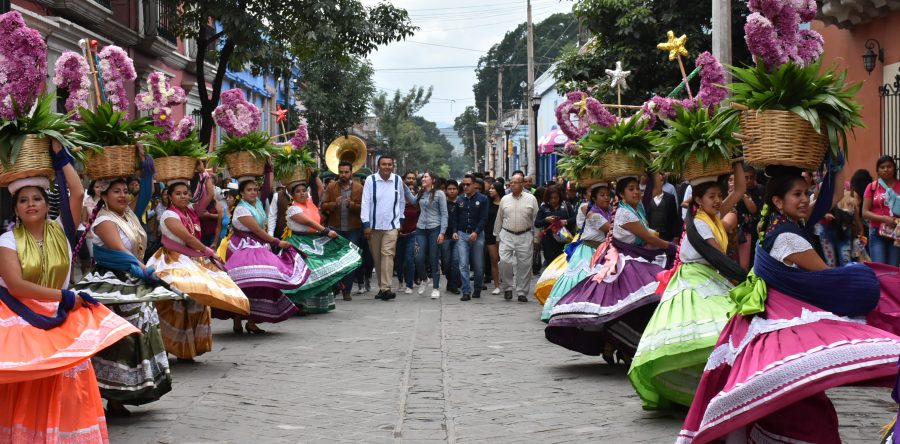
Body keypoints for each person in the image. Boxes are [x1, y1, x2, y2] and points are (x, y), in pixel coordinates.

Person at [679, 166, 900, 443]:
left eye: (806, 193)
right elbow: (828, 279)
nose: (805, 199)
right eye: (797, 194)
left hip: (767, 323)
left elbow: (829, 199)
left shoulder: (772, 224)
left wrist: (835, 166)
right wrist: (859, 274)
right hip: (782, 329)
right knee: (802, 411)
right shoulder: (788, 237)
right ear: (778, 201)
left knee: (789, 402)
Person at [0, 143, 139, 441]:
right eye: (23, 200)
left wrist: (61, 155)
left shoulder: (62, 230)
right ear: (16, 209)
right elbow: (16, 285)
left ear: (45, 203)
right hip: (23, 321)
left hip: (60, 318)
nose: (30, 204)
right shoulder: (7, 241)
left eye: (37, 198)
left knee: (68, 385)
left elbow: (76, 193)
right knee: (30, 386)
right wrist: (65, 297)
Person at [629, 164, 747, 410]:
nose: (717, 200)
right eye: (711, 196)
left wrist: (736, 162)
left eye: (719, 195)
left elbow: (739, 190)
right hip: (694, 279)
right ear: (699, 201)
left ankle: (712, 387)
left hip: (709, 276)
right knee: (713, 329)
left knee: (715, 331)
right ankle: (700, 389)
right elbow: (718, 255)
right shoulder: (701, 223)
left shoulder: (713, 216)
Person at [70, 165, 185, 415]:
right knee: (120, 337)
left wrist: (147, 167)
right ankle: (112, 395)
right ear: (104, 195)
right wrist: (144, 270)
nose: (123, 195)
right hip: (112, 282)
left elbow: (145, 193)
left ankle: (126, 392)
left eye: (125, 191)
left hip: (133, 280)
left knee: (141, 331)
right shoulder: (103, 220)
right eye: (116, 191)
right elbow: (121, 253)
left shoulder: (129, 215)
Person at [545, 175, 676, 363]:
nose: (636, 192)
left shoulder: (636, 208)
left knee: (631, 307)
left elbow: (653, 191)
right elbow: (648, 237)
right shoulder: (622, 213)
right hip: (622, 262)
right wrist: (672, 247)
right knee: (627, 306)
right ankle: (616, 344)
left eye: (637, 188)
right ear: (621, 194)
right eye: (631, 189)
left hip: (634, 257)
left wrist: (651, 170)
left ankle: (618, 345)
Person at [147, 176, 249, 357]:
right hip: (172, 260)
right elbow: (188, 238)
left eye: (185, 193)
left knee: (197, 302)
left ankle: (188, 349)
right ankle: (168, 346)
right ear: (170, 196)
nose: (183, 196)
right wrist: (208, 252)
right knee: (176, 302)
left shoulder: (191, 211)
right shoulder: (169, 215)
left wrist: (204, 174)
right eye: (178, 194)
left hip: (192, 260)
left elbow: (209, 194)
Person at [216, 175, 308, 333]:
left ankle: (251, 321)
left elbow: (266, 191)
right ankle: (237, 318)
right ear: (242, 193)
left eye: (255, 189)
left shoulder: (258, 203)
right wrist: (277, 242)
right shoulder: (241, 209)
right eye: (249, 190)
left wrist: (268, 171)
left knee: (261, 284)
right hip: (242, 248)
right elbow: (257, 230)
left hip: (257, 246)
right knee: (243, 284)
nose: (253, 192)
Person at [283, 181, 361, 312]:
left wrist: (330, 209)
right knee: (305, 271)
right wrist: (326, 231)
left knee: (319, 269)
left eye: (304, 190)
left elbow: (318, 218)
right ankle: (298, 302)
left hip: (312, 240)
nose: (302, 193)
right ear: (293, 195)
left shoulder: (311, 206)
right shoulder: (293, 209)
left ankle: (313, 303)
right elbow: (309, 222)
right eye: (298, 191)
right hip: (297, 243)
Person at [540, 183, 612, 322]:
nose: (606, 198)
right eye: (602, 195)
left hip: (603, 250)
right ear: (593, 197)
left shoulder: (609, 211)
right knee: (581, 278)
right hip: (588, 250)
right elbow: (611, 229)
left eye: (608, 195)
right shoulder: (589, 210)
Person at [361, 156, 408, 301]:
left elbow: (401, 201)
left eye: (389, 164)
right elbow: (365, 202)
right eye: (384, 164)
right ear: (378, 166)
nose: (387, 167)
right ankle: (382, 288)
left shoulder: (398, 180)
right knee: (377, 258)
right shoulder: (371, 180)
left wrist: (400, 220)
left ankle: (386, 288)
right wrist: (366, 224)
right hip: (374, 227)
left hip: (392, 225)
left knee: (388, 254)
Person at [321, 160, 364, 300]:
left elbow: (364, 208)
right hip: (335, 229)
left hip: (353, 229)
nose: (343, 175)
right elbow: (323, 205)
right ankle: (336, 287)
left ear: (351, 173)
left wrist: (351, 204)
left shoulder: (359, 188)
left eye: (346, 172)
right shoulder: (331, 186)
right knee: (335, 260)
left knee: (350, 260)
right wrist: (335, 204)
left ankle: (347, 290)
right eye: (341, 172)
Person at [494, 172, 540, 302]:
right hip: (507, 234)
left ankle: (522, 292)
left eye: (515, 183)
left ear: (522, 184)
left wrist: (537, 238)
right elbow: (499, 218)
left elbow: (536, 220)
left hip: (525, 234)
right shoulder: (505, 199)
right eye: (511, 182)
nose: (512, 185)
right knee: (504, 262)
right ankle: (508, 287)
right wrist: (497, 236)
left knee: (524, 265)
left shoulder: (531, 199)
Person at [454, 174, 489, 301]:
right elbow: (455, 218)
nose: (465, 187)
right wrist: (455, 231)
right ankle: (466, 291)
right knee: (463, 264)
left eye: (468, 184)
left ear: (474, 185)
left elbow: (484, 218)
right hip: (462, 234)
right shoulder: (459, 199)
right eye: (464, 184)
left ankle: (477, 288)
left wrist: (476, 232)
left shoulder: (483, 199)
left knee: (478, 265)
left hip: (477, 235)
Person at [414, 171, 448, 299]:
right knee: (418, 257)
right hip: (421, 228)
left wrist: (442, 232)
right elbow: (412, 201)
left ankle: (435, 287)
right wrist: (403, 187)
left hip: (435, 228)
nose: (423, 178)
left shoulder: (440, 194)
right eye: (423, 177)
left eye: (425, 177)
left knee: (434, 258)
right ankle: (424, 279)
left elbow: (444, 214)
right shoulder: (421, 192)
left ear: (433, 180)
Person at [863, 155, 900, 266]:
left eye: (889, 166)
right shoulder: (872, 187)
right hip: (876, 232)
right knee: (879, 269)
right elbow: (865, 212)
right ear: (877, 170)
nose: (886, 169)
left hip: (896, 233)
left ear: (894, 168)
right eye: (882, 167)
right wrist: (884, 219)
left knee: (893, 269)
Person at [534, 185, 577, 266]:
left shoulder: (566, 205)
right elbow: (537, 223)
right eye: (551, 198)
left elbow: (574, 219)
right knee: (551, 264)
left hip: (565, 240)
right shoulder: (543, 207)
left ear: (559, 197)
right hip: (549, 242)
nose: (553, 200)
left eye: (555, 198)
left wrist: (565, 222)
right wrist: (546, 220)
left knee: (565, 264)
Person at [396, 171, 420, 294]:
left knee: (409, 259)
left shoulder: (417, 200)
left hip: (412, 234)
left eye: (413, 178)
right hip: (398, 234)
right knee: (398, 260)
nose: (411, 180)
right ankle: (401, 282)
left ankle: (409, 284)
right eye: (408, 178)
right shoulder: (397, 198)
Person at [647, 172, 682, 243]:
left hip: (666, 234)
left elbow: (674, 217)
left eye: (661, 180)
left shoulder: (670, 197)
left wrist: (676, 235)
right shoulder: (647, 197)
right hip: (651, 232)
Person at [442, 179, 462, 295]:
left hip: (458, 237)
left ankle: (454, 285)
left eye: (454, 189)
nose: (452, 191)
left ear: (457, 190)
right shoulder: (442, 203)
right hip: (445, 236)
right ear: (446, 190)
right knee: (446, 264)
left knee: (456, 261)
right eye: (449, 189)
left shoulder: (461, 202)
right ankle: (451, 282)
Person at [485, 181, 503, 295]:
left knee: (504, 260)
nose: (490, 190)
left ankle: (506, 281)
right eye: (490, 188)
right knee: (494, 259)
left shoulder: (505, 202)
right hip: (490, 234)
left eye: (493, 188)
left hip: (504, 234)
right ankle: (497, 285)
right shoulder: (487, 202)